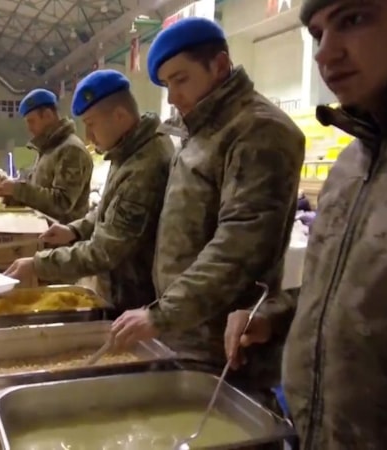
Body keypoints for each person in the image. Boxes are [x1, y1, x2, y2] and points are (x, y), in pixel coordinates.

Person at [225, 0, 387, 448]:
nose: (324, 53)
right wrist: (276, 315)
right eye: (318, 34)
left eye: (353, 19)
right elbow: (359, 290)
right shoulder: (352, 165)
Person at [112, 17, 305, 394]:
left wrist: (162, 314)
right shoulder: (200, 131)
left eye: (180, 79)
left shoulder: (257, 130)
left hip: (226, 341)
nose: (172, 96)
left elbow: (239, 246)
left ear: (219, 65)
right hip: (185, 329)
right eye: (167, 84)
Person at [5, 70, 173, 312]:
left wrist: (38, 264)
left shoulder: (144, 166)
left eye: (91, 124)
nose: (88, 136)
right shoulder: (128, 149)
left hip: (135, 300)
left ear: (120, 116)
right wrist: (75, 230)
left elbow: (105, 251)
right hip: (119, 289)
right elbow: (110, 208)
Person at [0, 88, 93, 223]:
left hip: (64, 234)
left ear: (48, 115)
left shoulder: (71, 150)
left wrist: (17, 189)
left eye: (31, 121)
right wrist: (5, 191)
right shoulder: (49, 149)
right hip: (46, 231)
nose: (29, 128)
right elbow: (36, 198)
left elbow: (62, 203)